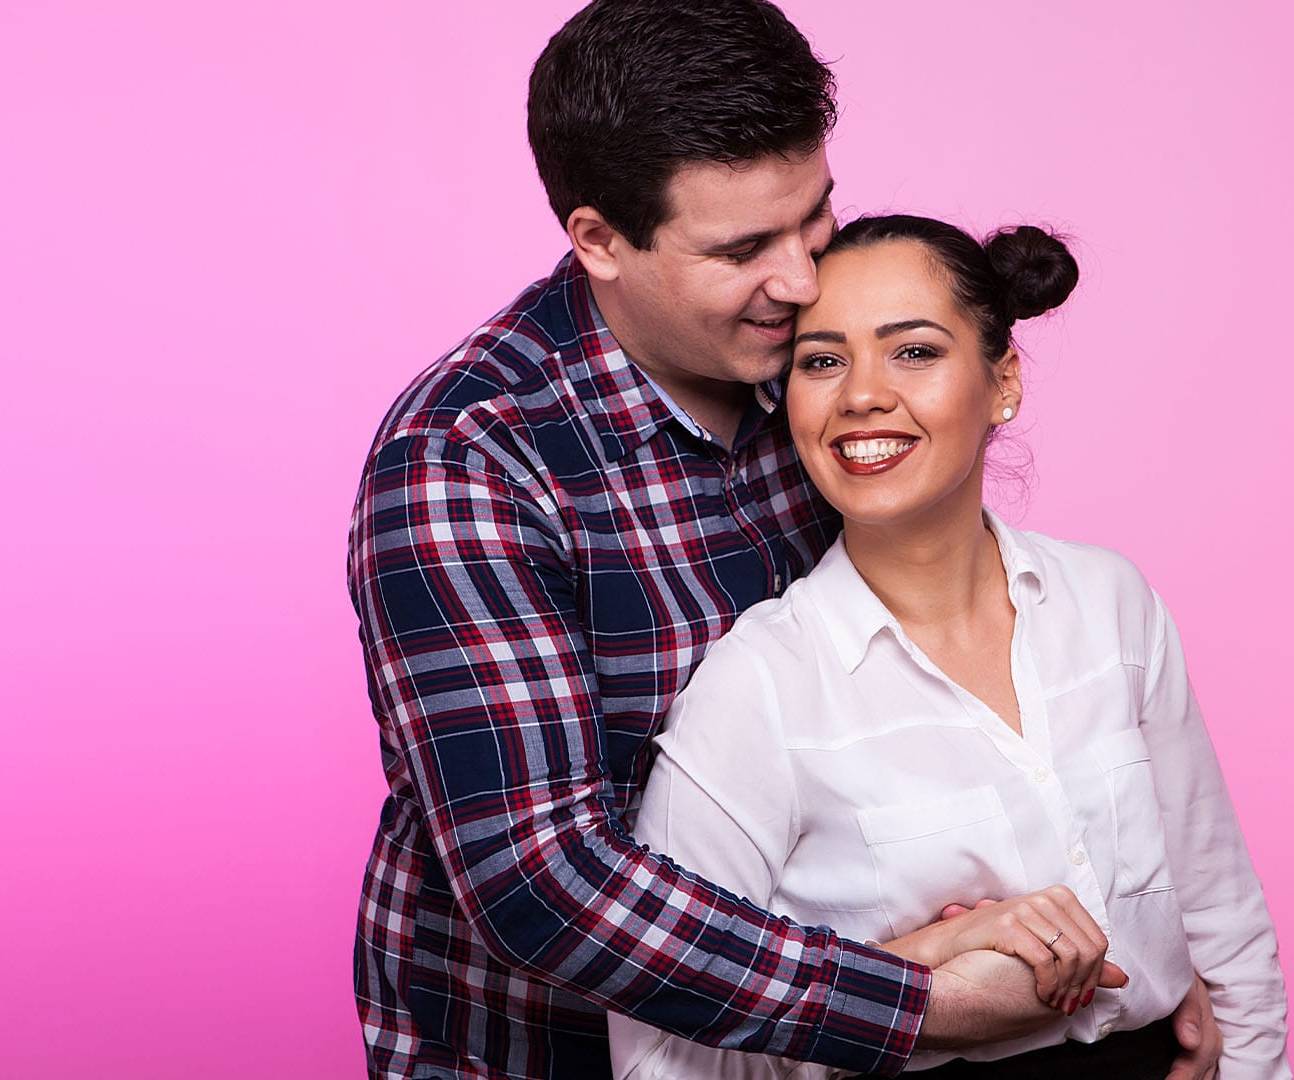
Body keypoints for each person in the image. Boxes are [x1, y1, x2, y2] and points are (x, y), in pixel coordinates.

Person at [349, 3, 1227, 1077]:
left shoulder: (815, 371)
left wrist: (1153, 967)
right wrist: (915, 1002)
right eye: (743, 249)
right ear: (600, 242)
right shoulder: (471, 461)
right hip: (552, 1054)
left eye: (812, 216)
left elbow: (956, 684)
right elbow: (541, 883)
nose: (806, 283)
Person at [608, 216, 1291, 1078]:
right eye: (822, 360)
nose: (861, 394)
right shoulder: (760, 687)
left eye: (914, 351)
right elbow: (661, 1052)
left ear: (1002, 380)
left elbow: (1224, 930)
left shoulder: (1111, 605)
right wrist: (915, 971)